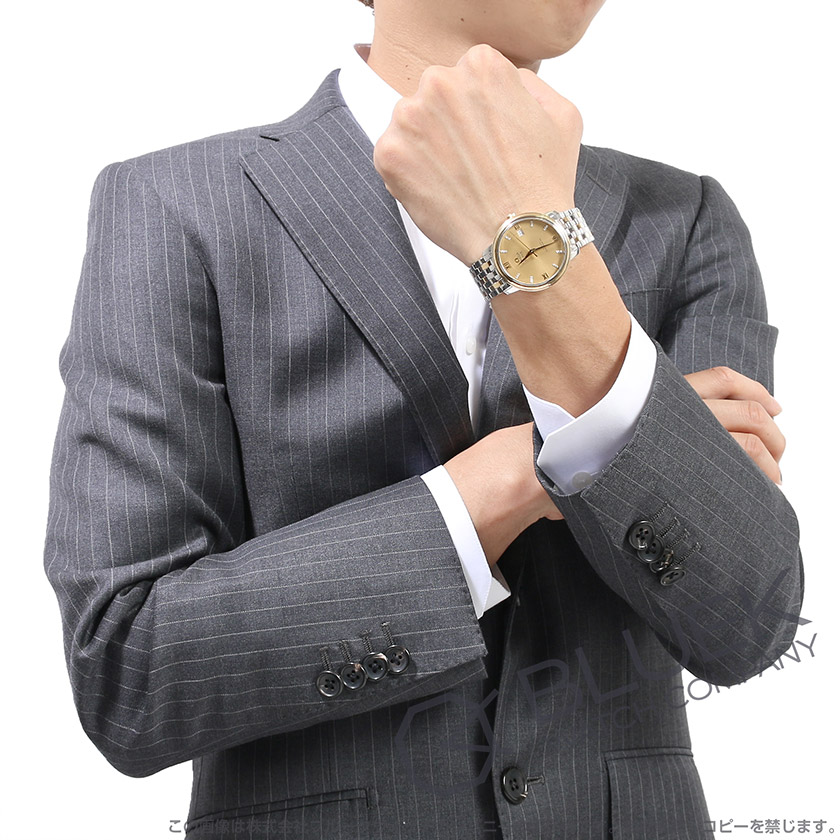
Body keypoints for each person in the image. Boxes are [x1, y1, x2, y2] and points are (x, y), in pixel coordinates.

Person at [44, 0, 803, 837]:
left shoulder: (684, 219)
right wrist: (523, 473)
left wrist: (541, 250)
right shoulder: (175, 206)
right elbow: (129, 671)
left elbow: (746, 624)